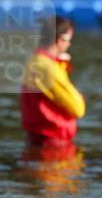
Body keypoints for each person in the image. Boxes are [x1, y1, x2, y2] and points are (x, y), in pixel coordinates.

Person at [21, 16, 86, 146]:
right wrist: (80, 98)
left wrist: (60, 63)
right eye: (68, 40)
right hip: (53, 142)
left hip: (37, 137)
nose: (69, 44)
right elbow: (78, 109)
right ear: (60, 39)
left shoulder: (35, 60)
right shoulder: (49, 68)